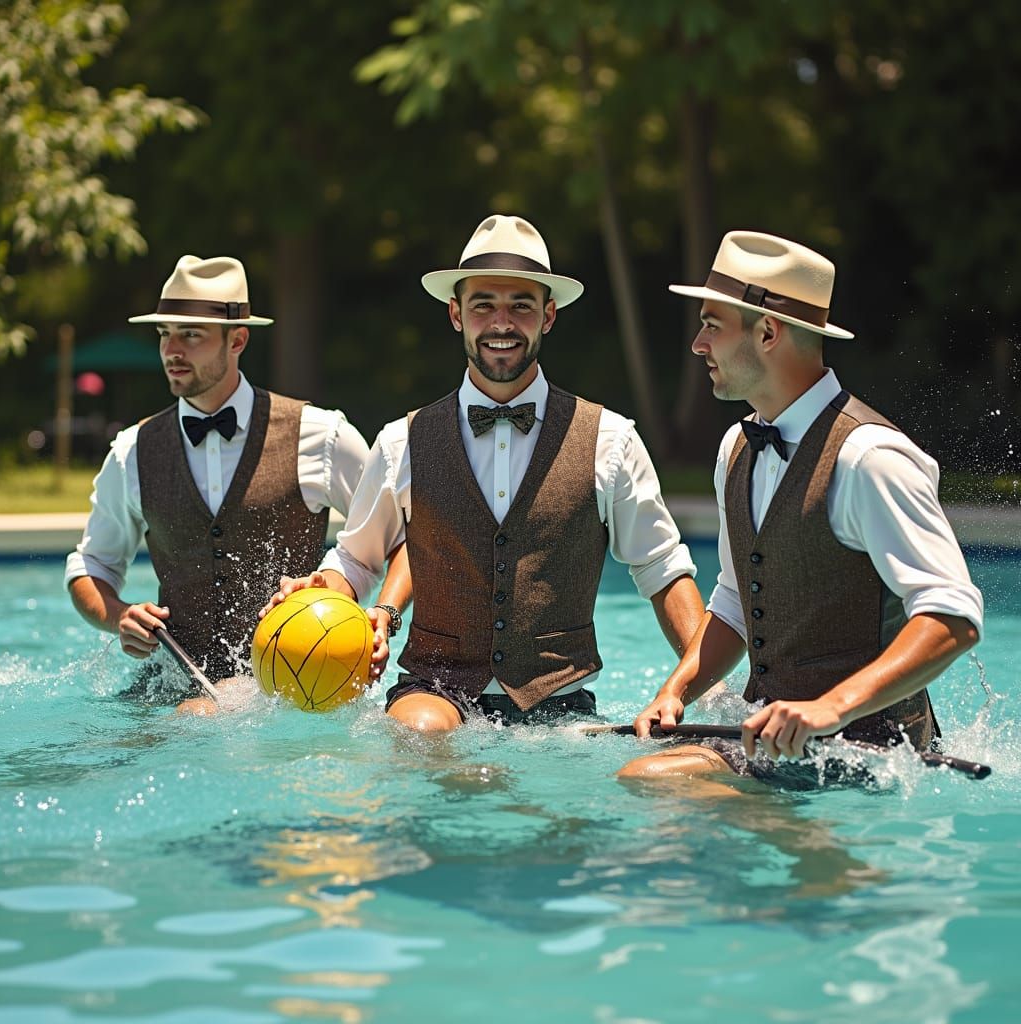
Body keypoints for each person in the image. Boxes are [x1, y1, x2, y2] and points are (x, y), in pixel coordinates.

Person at [266, 214, 705, 731]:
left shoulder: (610, 440)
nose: (502, 323)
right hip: (433, 690)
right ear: (456, 314)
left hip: (561, 705)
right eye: (483, 305)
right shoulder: (400, 441)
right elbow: (356, 560)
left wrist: (700, 686)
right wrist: (323, 591)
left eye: (521, 305)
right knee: (419, 735)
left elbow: (662, 570)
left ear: (549, 315)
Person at [620, 230, 983, 782]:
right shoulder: (734, 448)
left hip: (873, 757)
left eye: (712, 325)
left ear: (767, 332)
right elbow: (737, 600)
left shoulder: (870, 457)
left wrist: (830, 709)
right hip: (771, 747)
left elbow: (954, 617)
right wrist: (675, 692)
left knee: (650, 782)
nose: (698, 344)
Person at [66, 255, 370, 705]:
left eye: (190, 335)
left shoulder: (321, 435)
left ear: (238, 339)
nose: (172, 350)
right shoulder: (132, 451)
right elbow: (90, 567)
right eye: (164, 334)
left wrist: (374, 615)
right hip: (167, 691)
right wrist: (121, 615)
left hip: (297, 694)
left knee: (198, 719)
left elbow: (394, 536)